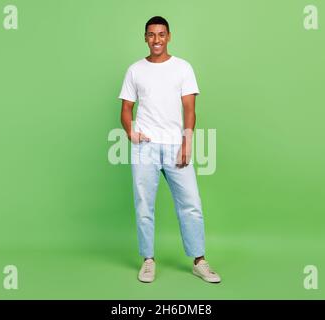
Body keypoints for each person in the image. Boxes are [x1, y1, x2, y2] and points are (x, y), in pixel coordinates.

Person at [118, 16, 221, 283]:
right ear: (145, 38)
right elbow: (126, 110)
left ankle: (199, 260)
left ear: (169, 36)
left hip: (176, 145)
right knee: (144, 205)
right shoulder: (135, 70)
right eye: (151, 35)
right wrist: (131, 133)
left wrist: (187, 142)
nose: (156, 40)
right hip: (146, 147)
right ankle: (148, 260)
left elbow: (190, 109)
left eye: (161, 34)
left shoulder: (183, 68)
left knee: (191, 205)